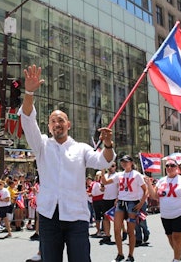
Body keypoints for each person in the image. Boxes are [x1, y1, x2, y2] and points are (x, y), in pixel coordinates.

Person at [19, 64, 115, 262]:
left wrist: (107, 144)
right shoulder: (42, 145)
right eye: (53, 121)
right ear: (49, 126)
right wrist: (29, 92)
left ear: (68, 124)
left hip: (76, 217)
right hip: (48, 216)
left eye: (61, 120)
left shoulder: (81, 148)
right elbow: (28, 119)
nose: (57, 124)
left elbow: (103, 161)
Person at [144, 159, 181, 262]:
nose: (169, 168)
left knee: (177, 237)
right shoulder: (162, 180)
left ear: (177, 168)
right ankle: (178, 255)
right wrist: (149, 184)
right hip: (166, 214)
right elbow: (154, 196)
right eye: (167, 166)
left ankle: (176, 259)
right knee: (170, 237)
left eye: (172, 165)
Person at [100, 155, 148, 262]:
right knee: (117, 229)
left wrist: (141, 203)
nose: (124, 163)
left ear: (131, 163)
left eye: (126, 161)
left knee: (131, 231)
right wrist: (102, 170)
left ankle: (130, 255)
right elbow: (105, 182)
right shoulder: (119, 175)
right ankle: (120, 254)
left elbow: (146, 190)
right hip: (121, 203)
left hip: (132, 203)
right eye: (122, 162)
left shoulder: (137, 175)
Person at [100, 163, 119, 245]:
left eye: (112, 166)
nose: (110, 168)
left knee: (117, 219)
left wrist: (117, 198)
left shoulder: (117, 175)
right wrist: (102, 188)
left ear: (115, 167)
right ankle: (107, 235)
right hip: (105, 199)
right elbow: (102, 188)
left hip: (114, 199)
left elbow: (119, 187)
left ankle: (122, 232)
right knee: (105, 218)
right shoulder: (105, 176)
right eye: (109, 166)